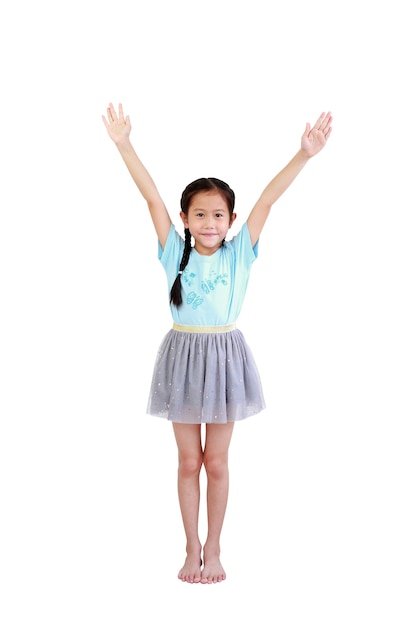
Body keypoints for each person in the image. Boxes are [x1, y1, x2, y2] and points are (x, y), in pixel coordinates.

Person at [102, 102, 332, 584]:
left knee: (218, 462)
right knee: (189, 461)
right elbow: (151, 200)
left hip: (226, 358)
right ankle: (190, 549)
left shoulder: (239, 253)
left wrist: (304, 154)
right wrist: (125, 145)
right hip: (183, 357)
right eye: (200, 214)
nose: (210, 223)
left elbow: (267, 200)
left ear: (230, 220)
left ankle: (216, 546)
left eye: (219, 215)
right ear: (186, 218)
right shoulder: (172, 250)